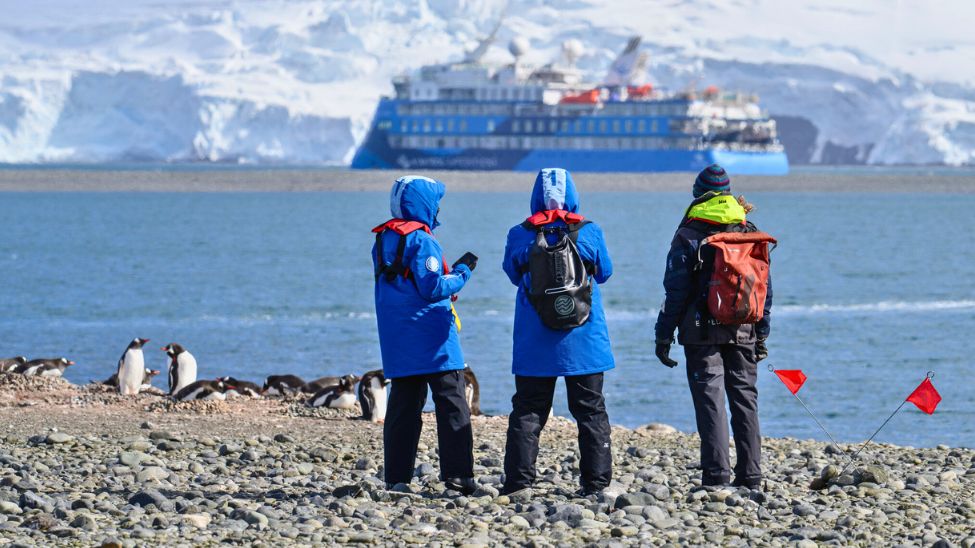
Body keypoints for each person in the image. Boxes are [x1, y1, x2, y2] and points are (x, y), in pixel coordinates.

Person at [653, 164, 773, 489]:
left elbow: (674, 293)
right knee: (745, 399)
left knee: (711, 402)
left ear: (698, 194)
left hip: (700, 332)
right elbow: (764, 288)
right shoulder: (748, 230)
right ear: (728, 193)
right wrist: (762, 333)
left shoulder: (689, 234)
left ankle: (716, 477)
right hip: (745, 328)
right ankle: (751, 476)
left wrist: (663, 335)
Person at [501, 167, 615, 497]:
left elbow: (511, 273)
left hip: (535, 340)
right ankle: (595, 484)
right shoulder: (589, 231)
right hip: (584, 340)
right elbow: (604, 272)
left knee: (528, 410)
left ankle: (519, 483)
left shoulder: (519, 233)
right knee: (591, 410)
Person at [372, 175, 479, 494]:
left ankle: (396, 477)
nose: (438, 208)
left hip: (398, 339)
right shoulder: (422, 240)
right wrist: (461, 275)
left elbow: (403, 284)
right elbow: (432, 288)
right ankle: (458, 476)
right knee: (452, 405)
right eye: (435, 202)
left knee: (403, 407)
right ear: (422, 203)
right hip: (434, 339)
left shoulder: (383, 240)